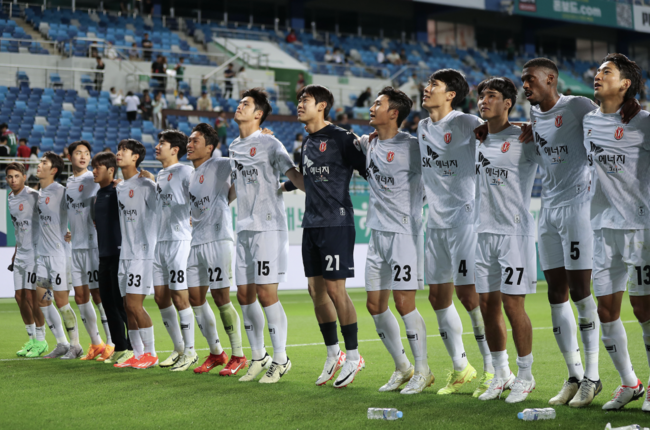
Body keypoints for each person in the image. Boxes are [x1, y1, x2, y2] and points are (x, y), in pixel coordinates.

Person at [518, 57, 639, 408]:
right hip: (548, 211)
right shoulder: (534, 118)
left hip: (578, 208)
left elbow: (612, 114)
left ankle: (593, 376)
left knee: (580, 292)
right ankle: (573, 376)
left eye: (531, 79)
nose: (526, 85)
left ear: (551, 79)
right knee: (555, 292)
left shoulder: (578, 106)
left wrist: (632, 108)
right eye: (523, 80)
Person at [282, 85, 368, 388]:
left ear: (322, 106)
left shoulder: (342, 138)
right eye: (299, 101)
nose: (299, 105)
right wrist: (287, 180)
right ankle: (335, 353)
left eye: (304, 100)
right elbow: (309, 182)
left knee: (335, 290)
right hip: (312, 224)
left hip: (337, 223)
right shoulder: (306, 142)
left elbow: (369, 169)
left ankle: (355, 356)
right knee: (315, 291)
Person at [418, 69, 493, 397]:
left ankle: (493, 368)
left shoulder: (465, 122)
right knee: (437, 297)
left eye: (433, 85)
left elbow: (499, 135)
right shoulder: (421, 127)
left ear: (451, 94)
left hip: (464, 222)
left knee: (469, 296)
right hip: (434, 223)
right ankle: (462, 367)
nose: (426, 88)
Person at [582, 53, 650, 412]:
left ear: (625, 83)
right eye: (596, 71)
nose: (597, 76)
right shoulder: (588, 121)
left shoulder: (644, 122)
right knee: (605, 310)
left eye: (606, 72)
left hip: (640, 227)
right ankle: (630, 383)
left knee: (643, 309)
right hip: (603, 227)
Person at [356, 87, 432, 394]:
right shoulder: (368, 142)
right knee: (375, 305)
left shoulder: (412, 147)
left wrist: (417, 206)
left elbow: (434, 177)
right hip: (377, 234)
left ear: (394, 113)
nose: (372, 107)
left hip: (404, 234)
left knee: (404, 303)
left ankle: (423, 369)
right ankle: (403, 367)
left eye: (378, 103)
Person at [230, 88, 304, 382]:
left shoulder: (271, 143)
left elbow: (292, 175)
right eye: (240, 102)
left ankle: (281, 358)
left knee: (266, 293)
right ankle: (258, 356)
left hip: (268, 227)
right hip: (244, 228)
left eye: (245, 104)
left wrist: (317, 187)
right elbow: (235, 186)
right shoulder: (234, 144)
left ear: (258, 114)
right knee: (244, 295)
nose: (239, 106)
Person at [474, 77, 539, 403]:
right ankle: (501, 374)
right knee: (487, 305)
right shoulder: (477, 138)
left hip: (514, 233)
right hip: (483, 233)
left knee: (514, 306)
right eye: (482, 96)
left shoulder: (525, 137)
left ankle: (525, 375)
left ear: (508, 103)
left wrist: (534, 126)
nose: (484, 100)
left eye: (492, 96)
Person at [185, 123, 243, 375]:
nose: (189, 144)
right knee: (195, 299)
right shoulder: (190, 174)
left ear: (209, 147)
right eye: (189, 139)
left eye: (195, 140)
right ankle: (217, 353)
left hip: (218, 240)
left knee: (221, 298)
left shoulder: (220, 164)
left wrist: (259, 139)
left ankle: (239, 355)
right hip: (196, 241)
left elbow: (245, 163)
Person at [138, 130, 197, 371]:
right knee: (160, 297)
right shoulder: (162, 174)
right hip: (159, 243)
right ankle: (179, 348)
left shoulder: (186, 171)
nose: (157, 146)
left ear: (175, 149)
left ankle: (191, 352)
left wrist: (193, 218)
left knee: (180, 297)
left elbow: (197, 198)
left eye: (162, 143)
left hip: (179, 241)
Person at [64, 141, 114, 361]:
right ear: (70, 157)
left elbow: (111, 186)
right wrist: (71, 231)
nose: (83, 157)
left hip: (94, 246)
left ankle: (112, 342)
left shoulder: (92, 179)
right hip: (76, 248)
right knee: (81, 297)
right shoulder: (68, 182)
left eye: (86, 153)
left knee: (98, 295)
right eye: (78, 153)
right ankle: (96, 343)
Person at [113, 139, 159, 369]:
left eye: (124, 150)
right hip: (125, 254)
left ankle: (151, 353)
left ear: (136, 158)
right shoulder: (120, 186)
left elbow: (162, 211)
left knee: (134, 305)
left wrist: (154, 181)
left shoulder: (147, 185)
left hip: (143, 253)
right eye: (118, 149)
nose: (119, 153)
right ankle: (137, 354)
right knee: (126, 305)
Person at [34, 152, 81, 359]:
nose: (38, 165)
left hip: (59, 255)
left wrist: (75, 233)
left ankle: (75, 345)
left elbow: (81, 212)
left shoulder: (61, 192)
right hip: (42, 255)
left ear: (53, 170)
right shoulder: (38, 193)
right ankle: (61, 343)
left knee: (62, 302)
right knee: (42, 300)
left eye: (43, 163)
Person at [92, 152, 133, 365]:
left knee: (121, 304)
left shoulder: (119, 191)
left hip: (119, 254)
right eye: (93, 167)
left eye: (98, 167)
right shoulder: (97, 195)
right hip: (103, 255)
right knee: (108, 303)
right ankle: (120, 347)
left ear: (111, 170)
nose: (94, 171)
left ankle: (135, 347)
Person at [6, 162, 48, 358]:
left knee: (33, 297)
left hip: (36, 253)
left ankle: (42, 340)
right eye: (9, 177)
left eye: (16, 176)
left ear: (24, 176)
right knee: (19, 297)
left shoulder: (34, 196)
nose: (12, 180)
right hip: (21, 254)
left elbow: (50, 217)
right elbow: (17, 229)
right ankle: (31, 339)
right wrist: (15, 252)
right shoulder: (10, 198)